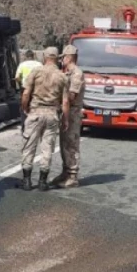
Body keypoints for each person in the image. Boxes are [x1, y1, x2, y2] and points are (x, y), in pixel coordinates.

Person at [18, 47, 68, 192]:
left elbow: (26, 93)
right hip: (52, 114)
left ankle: (27, 181)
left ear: (45, 57)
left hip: (36, 113)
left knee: (29, 146)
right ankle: (42, 182)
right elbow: (65, 102)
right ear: (57, 58)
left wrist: (25, 107)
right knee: (47, 148)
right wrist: (65, 119)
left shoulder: (36, 72)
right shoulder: (62, 76)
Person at [52, 45, 84, 189]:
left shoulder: (77, 73)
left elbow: (72, 95)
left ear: (69, 57)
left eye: (63, 57)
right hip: (66, 111)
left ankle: (72, 175)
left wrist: (59, 101)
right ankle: (66, 172)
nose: (62, 60)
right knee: (64, 143)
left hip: (72, 112)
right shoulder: (68, 73)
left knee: (71, 143)